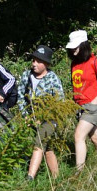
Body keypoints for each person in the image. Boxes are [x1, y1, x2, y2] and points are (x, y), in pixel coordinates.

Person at [66, 29, 97, 170]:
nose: (73, 50)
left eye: (76, 47)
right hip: (80, 106)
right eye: (72, 47)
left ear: (83, 45)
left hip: (94, 106)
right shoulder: (74, 64)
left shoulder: (95, 62)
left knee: (78, 136)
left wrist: (95, 100)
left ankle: (78, 173)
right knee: (96, 139)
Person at [18, 45, 65, 180]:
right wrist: (26, 116)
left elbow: (59, 101)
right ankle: (56, 178)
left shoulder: (52, 78)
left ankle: (30, 177)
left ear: (47, 63)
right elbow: (21, 96)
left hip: (49, 119)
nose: (34, 64)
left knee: (38, 143)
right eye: (33, 60)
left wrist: (47, 117)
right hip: (32, 117)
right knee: (47, 148)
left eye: (39, 61)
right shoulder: (27, 76)